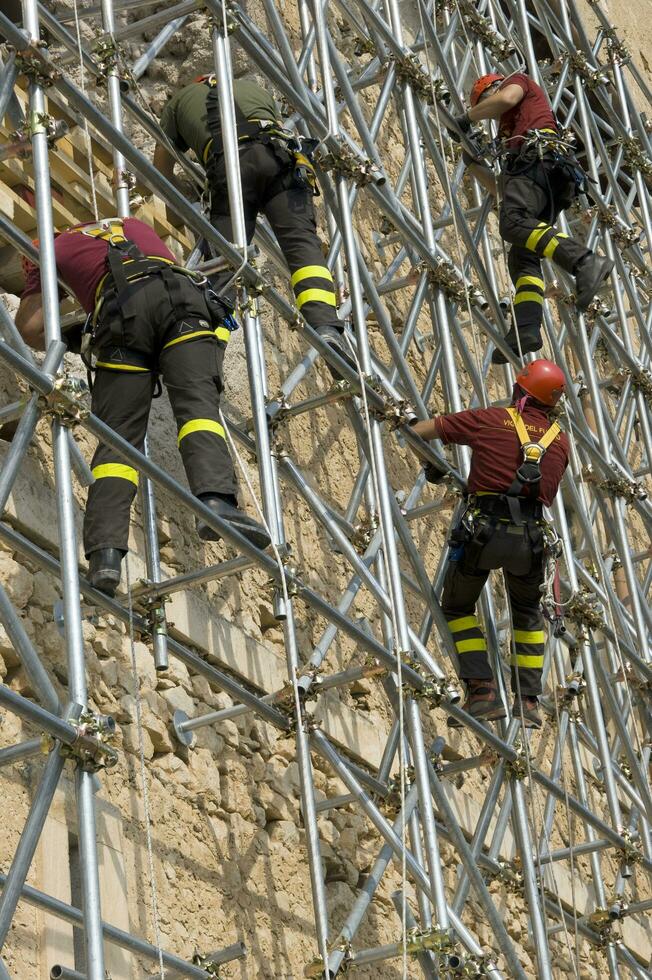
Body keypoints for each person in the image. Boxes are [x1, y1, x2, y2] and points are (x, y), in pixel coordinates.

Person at [15, 216, 270, 596]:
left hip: (119, 320)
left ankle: (104, 554)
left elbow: (30, 327)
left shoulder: (43, 249)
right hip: (181, 300)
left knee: (118, 442)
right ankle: (216, 502)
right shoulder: (130, 223)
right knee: (197, 407)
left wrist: (72, 333)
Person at [412, 359, 570, 729]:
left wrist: (431, 463)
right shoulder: (560, 442)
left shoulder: (490, 419)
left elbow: (420, 431)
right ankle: (528, 701)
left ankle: (482, 692)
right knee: (528, 615)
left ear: (520, 391)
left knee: (457, 607)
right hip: (530, 542)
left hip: (484, 532)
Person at [154, 75, 346, 359]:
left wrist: (190, 194)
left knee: (225, 265)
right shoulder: (255, 89)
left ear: (194, 82)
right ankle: (326, 327)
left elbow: (161, 170)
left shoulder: (179, 101)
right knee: (301, 245)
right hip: (279, 157)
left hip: (231, 168)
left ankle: (211, 351)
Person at [452, 72, 613, 363]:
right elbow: (501, 190)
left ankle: (585, 261)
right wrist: (473, 164)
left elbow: (507, 98)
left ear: (492, 88)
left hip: (541, 162)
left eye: (485, 103)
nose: (491, 114)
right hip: (545, 176)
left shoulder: (518, 83)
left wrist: (467, 118)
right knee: (522, 256)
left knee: (513, 222)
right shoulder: (510, 131)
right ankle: (526, 328)